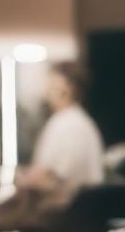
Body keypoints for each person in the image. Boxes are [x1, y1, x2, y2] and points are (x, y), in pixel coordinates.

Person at [18, 63, 104, 210]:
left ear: (67, 89)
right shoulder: (78, 121)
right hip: (77, 212)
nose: (46, 92)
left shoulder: (69, 125)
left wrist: (26, 179)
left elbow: (56, 178)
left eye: (52, 86)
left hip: (66, 216)